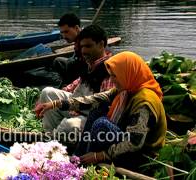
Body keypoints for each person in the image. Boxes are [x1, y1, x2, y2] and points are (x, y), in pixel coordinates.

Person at [37, 51, 167, 169]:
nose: (113, 80)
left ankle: (84, 161)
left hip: (141, 155)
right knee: (97, 110)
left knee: (102, 124)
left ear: (128, 73)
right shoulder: (127, 89)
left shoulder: (144, 101)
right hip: (126, 139)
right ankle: (78, 157)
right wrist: (56, 104)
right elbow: (93, 100)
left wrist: (100, 155)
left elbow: (134, 142)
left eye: (115, 76)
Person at [35, 25, 114, 134]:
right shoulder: (90, 64)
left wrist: (74, 108)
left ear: (101, 45)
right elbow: (76, 85)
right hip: (77, 105)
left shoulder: (110, 69)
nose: (84, 51)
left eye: (88, 46)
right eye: (82, 47)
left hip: (93, 116)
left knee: (69, 125)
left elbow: (102, 106)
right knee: (47, 92)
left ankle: (56, 140)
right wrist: (47, 100)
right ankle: (50, 133)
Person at [52, 13, 84, 85]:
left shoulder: (85, 41)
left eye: (66, 32)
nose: (64, 36)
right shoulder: (78, 40)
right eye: (62, 33)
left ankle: (70, 84)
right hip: (81, 66)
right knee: (58, 61)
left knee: (69, 64)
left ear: (76, 28)